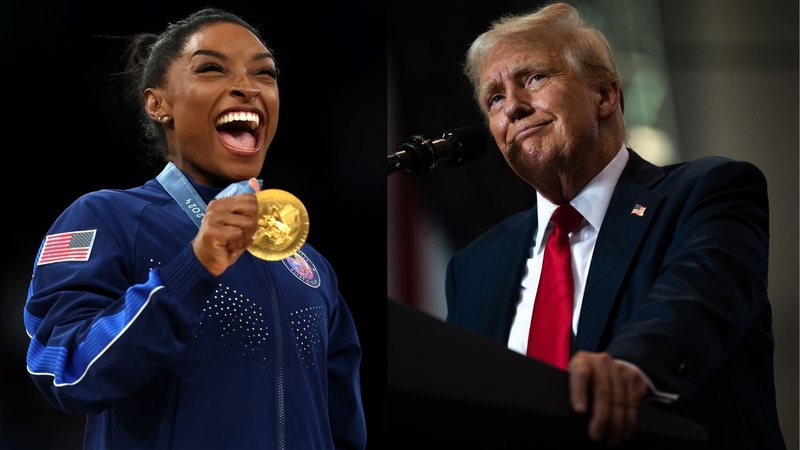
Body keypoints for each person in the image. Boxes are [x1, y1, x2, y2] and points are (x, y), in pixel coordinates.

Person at [444, 3, 784, 449]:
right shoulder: (474, 267)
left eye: (535, 78)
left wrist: (631, 367)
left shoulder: (705, 193)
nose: (514, 108)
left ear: (605, 95)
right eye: (495, 98)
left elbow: (696, 300)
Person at [23, 8, 366, 449]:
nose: (247, 87)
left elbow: (343, 430)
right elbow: (64, 369)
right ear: (157, 103)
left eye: (265, 74)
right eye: (211, 68)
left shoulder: (308, 263)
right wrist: (194, 268)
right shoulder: (106, 218)